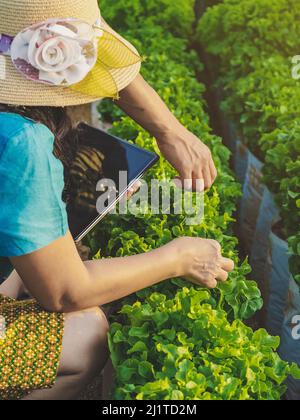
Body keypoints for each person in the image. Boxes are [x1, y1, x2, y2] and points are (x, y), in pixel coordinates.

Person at [0, 0, 234, 400]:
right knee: (87, 332)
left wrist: (55, 227)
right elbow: (63, 292)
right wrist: (177, 257)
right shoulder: (22, 141)